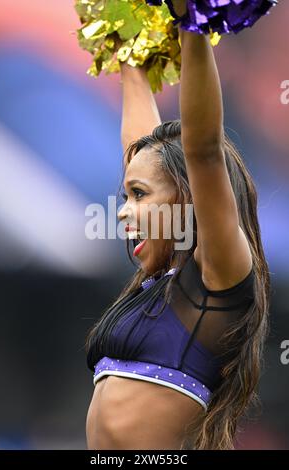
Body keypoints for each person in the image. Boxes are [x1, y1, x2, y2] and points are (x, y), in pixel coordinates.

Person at [84, 19, 271, 450]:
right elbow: (141, 151)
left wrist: (195, 22)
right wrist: (126, 41)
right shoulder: (165, 277)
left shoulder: (217, 279)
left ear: (188, 198)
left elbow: (203, 149)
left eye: (138, 196)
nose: (123, 212)